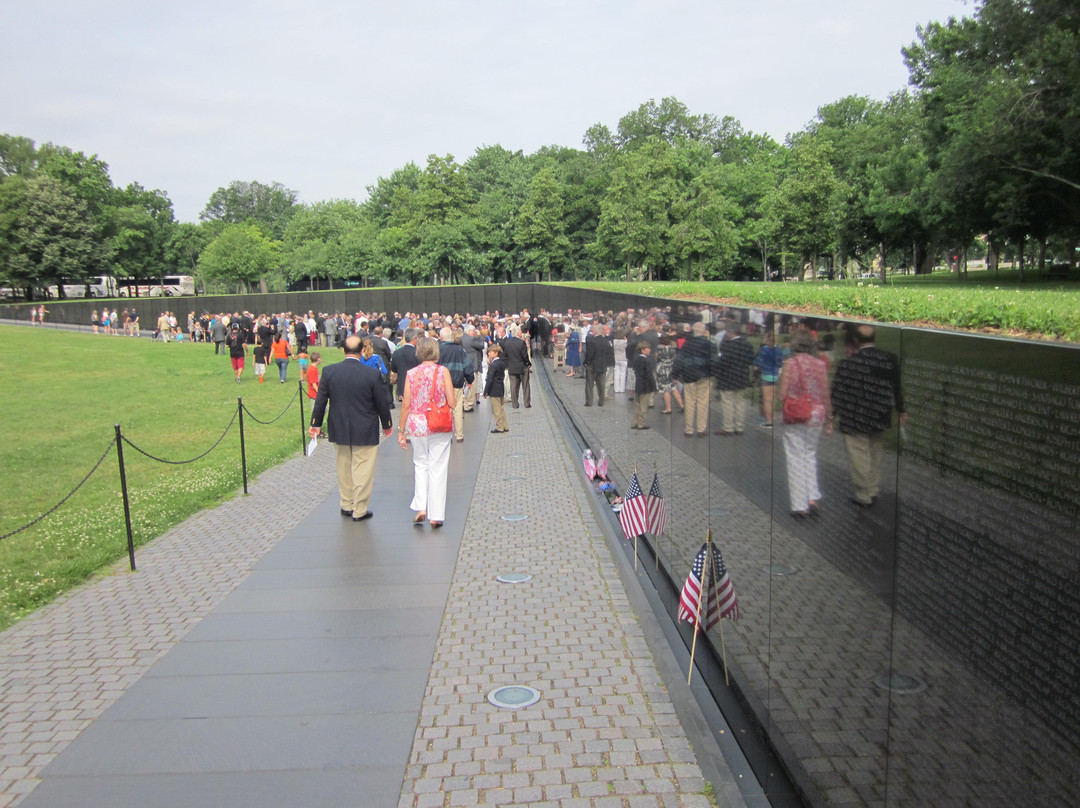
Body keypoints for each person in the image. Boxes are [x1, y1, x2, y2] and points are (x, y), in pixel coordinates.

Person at [309, 336, 392, 521]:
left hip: (339, 427)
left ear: (343, 351)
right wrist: (387, 424)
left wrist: (315, 423)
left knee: (343, 467)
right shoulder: (371, 374)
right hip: (365, 427)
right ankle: (359, 509)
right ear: (362, 351)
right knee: (362, 469)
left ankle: (346, 504)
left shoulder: (329, 372)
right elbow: (382, 403)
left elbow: (321, 401)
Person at [831, 325, 906, 507]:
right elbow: (897, 387)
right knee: (875, 453)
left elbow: (838, 393)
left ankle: (863, 494)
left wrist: (832, 415)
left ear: (855, 340)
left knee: (859, 456)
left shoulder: (847, 364)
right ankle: (872, 489)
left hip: (854, 417)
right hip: (879, 415)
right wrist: (901, 410)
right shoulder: (889, 360)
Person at [397, 336, 457, 528]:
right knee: (438, 467)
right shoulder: (443, 371)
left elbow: (406, 404)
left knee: (420, 464)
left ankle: (421, 507)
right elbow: (452, 401)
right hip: (438, 424)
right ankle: (436, 515)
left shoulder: (411, 373)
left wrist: (401, 430)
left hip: (416, 424)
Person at [778, 331, 832, 517]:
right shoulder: (820, 365)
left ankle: (800, 504)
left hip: (796, 415)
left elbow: (781, 394)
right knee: (810, 455)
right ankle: (812, 497)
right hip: (817, 415)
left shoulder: (789, 364)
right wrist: (830, 420)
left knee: (795, 457)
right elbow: (825, 394)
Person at [672, 321, 715, 437]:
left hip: (689, 376)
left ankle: (689, 429)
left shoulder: (687, 344)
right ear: (704, 331)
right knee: (703, 402)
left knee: (690, 402)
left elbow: (679, 360)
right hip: (705, 376)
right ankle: (701, 429)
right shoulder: (710, 344)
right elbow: (715, 361)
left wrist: (675, 375)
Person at [714, 318, 755, 435]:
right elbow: (751, 359)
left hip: (727, 377)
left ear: (731, 332)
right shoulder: (747, 344)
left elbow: (722, 362)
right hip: (741, 376)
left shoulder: (727, 345)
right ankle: (739, 427)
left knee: (727, 402)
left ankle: (728, 427)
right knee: (740, 402)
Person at [438, 326, 474, 443]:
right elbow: (467, 367)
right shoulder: (459, 350)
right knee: (458, 409)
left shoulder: (437, 349)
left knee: (445, 409)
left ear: (441, 337)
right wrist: (470, 380)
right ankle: (459, 435)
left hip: (442, 385)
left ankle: (447, 434)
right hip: (457, 384)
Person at [753, 330, 785, 428]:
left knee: (766, 400)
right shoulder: (779, 350)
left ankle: (768, 421)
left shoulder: (764, 350)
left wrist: (757, 368)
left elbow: (757, 364)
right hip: (775, 376)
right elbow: (780, 363)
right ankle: (772, 416)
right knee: (772, 399)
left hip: (766, 375)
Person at [583, 324, 615, 407]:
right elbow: (610, 352)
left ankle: (589, 401)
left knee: (589, 384)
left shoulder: (592, 341)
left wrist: (586, 362)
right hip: (602, 365)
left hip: (592, 365)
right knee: (601, 384)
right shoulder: (606, 341)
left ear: (596, 331)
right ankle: (601, 401)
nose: (592, 331)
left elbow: (589, 354)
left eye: (593, 330)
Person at [500, 326, 531, 408]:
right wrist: (528, 363)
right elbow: (524, 356)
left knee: (513, 386)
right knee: (526, 386)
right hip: (522, 367)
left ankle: (515, 404)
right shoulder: (521, 342)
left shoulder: (507, 342)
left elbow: (505, 355)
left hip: (512, 367)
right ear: (518, 333)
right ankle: (527, 403)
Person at [483, 344, 509, 434]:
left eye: (490, 352)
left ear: (496, 353)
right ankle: (505, 425)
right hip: (500, 387)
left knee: (496, 409)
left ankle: (499, 426)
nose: (489, 354)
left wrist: (486, 391)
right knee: (501, 408)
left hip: (494, 389)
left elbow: (490, 379)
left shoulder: (493, 365)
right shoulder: (501, 363)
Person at [390, 327, 422, 403]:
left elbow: (394, 369)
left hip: (402, 384)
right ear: (414, 339)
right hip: (416, 384)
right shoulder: (418, 353)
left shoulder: (396, 353)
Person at [631, 341, 657, 429]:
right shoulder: (646, 361)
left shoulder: (636, 359)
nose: (649, 350)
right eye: (648, 349)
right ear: (643, 350)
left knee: (637, 405)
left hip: (638, 384)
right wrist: (654, 386)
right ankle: (641, 423)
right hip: (646, 385)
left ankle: (635, 422)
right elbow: (649, 375)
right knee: (643, 406)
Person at [655, 334, 683, 414]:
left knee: (665, 389)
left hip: (662, 369)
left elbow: (656, 358)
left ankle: (668, 408)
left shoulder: (659, 348)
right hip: (671, 368)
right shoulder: (673, 349)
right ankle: (681, 405)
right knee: (673, 388)